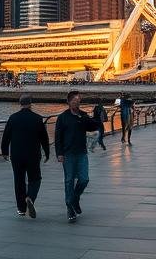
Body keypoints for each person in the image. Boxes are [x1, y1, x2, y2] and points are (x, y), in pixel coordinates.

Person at [1, 94, 50, 218]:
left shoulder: (13, 118)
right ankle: (30, 197)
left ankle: (21, 209)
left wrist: (5, 152)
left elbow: (6, 136)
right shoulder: (37, 118)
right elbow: (44, 138)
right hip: (33, 154)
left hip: (16, 155)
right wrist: (47, 152)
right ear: (30, 104)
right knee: (35, 178)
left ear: (20, 104)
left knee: (19, 181)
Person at [55, 89, 100, 222]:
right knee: (69, 180)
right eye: (74, 101)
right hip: (68, 154)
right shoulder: (62, 117)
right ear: (68, 102)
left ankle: (74, 198)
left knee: (84, 179)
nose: (77, 103)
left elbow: (93, 127)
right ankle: (70, 207)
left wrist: (95, 116)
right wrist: (59, 154)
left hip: (81, 153)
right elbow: (58, 137)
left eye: (79, 101)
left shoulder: (83, 115)